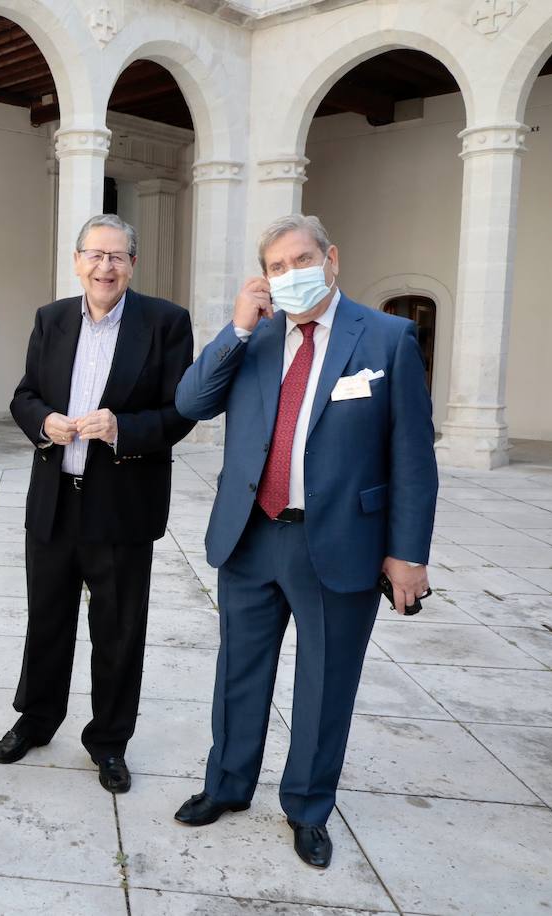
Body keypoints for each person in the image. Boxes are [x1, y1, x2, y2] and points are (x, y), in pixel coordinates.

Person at [172, 214, 436, 868]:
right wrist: (236, 327)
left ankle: (308, 807)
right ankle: (227, 785)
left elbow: (411, 458)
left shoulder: (386, 339)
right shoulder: (255, 339)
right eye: (278, 266)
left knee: (326, 684)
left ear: (332, 258)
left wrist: (408, 555)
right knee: (238, 673)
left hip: (341, 542)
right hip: (252, 537)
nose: (291, 275)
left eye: (301, 260)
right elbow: (191, 402)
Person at [0, 214, 195, 794]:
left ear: (133, 264)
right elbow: (24, 395)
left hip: (123, 507)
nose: (106, 266)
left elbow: (183, 411)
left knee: (118, 630)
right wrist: (43, 421)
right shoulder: (51, 319)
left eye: (118, 257)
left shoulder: (165, 323)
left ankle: (109, 741)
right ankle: (36, 719)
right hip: (55, 502)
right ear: (77, 261)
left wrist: (121, 426)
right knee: (47, 621)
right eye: (95, 255)